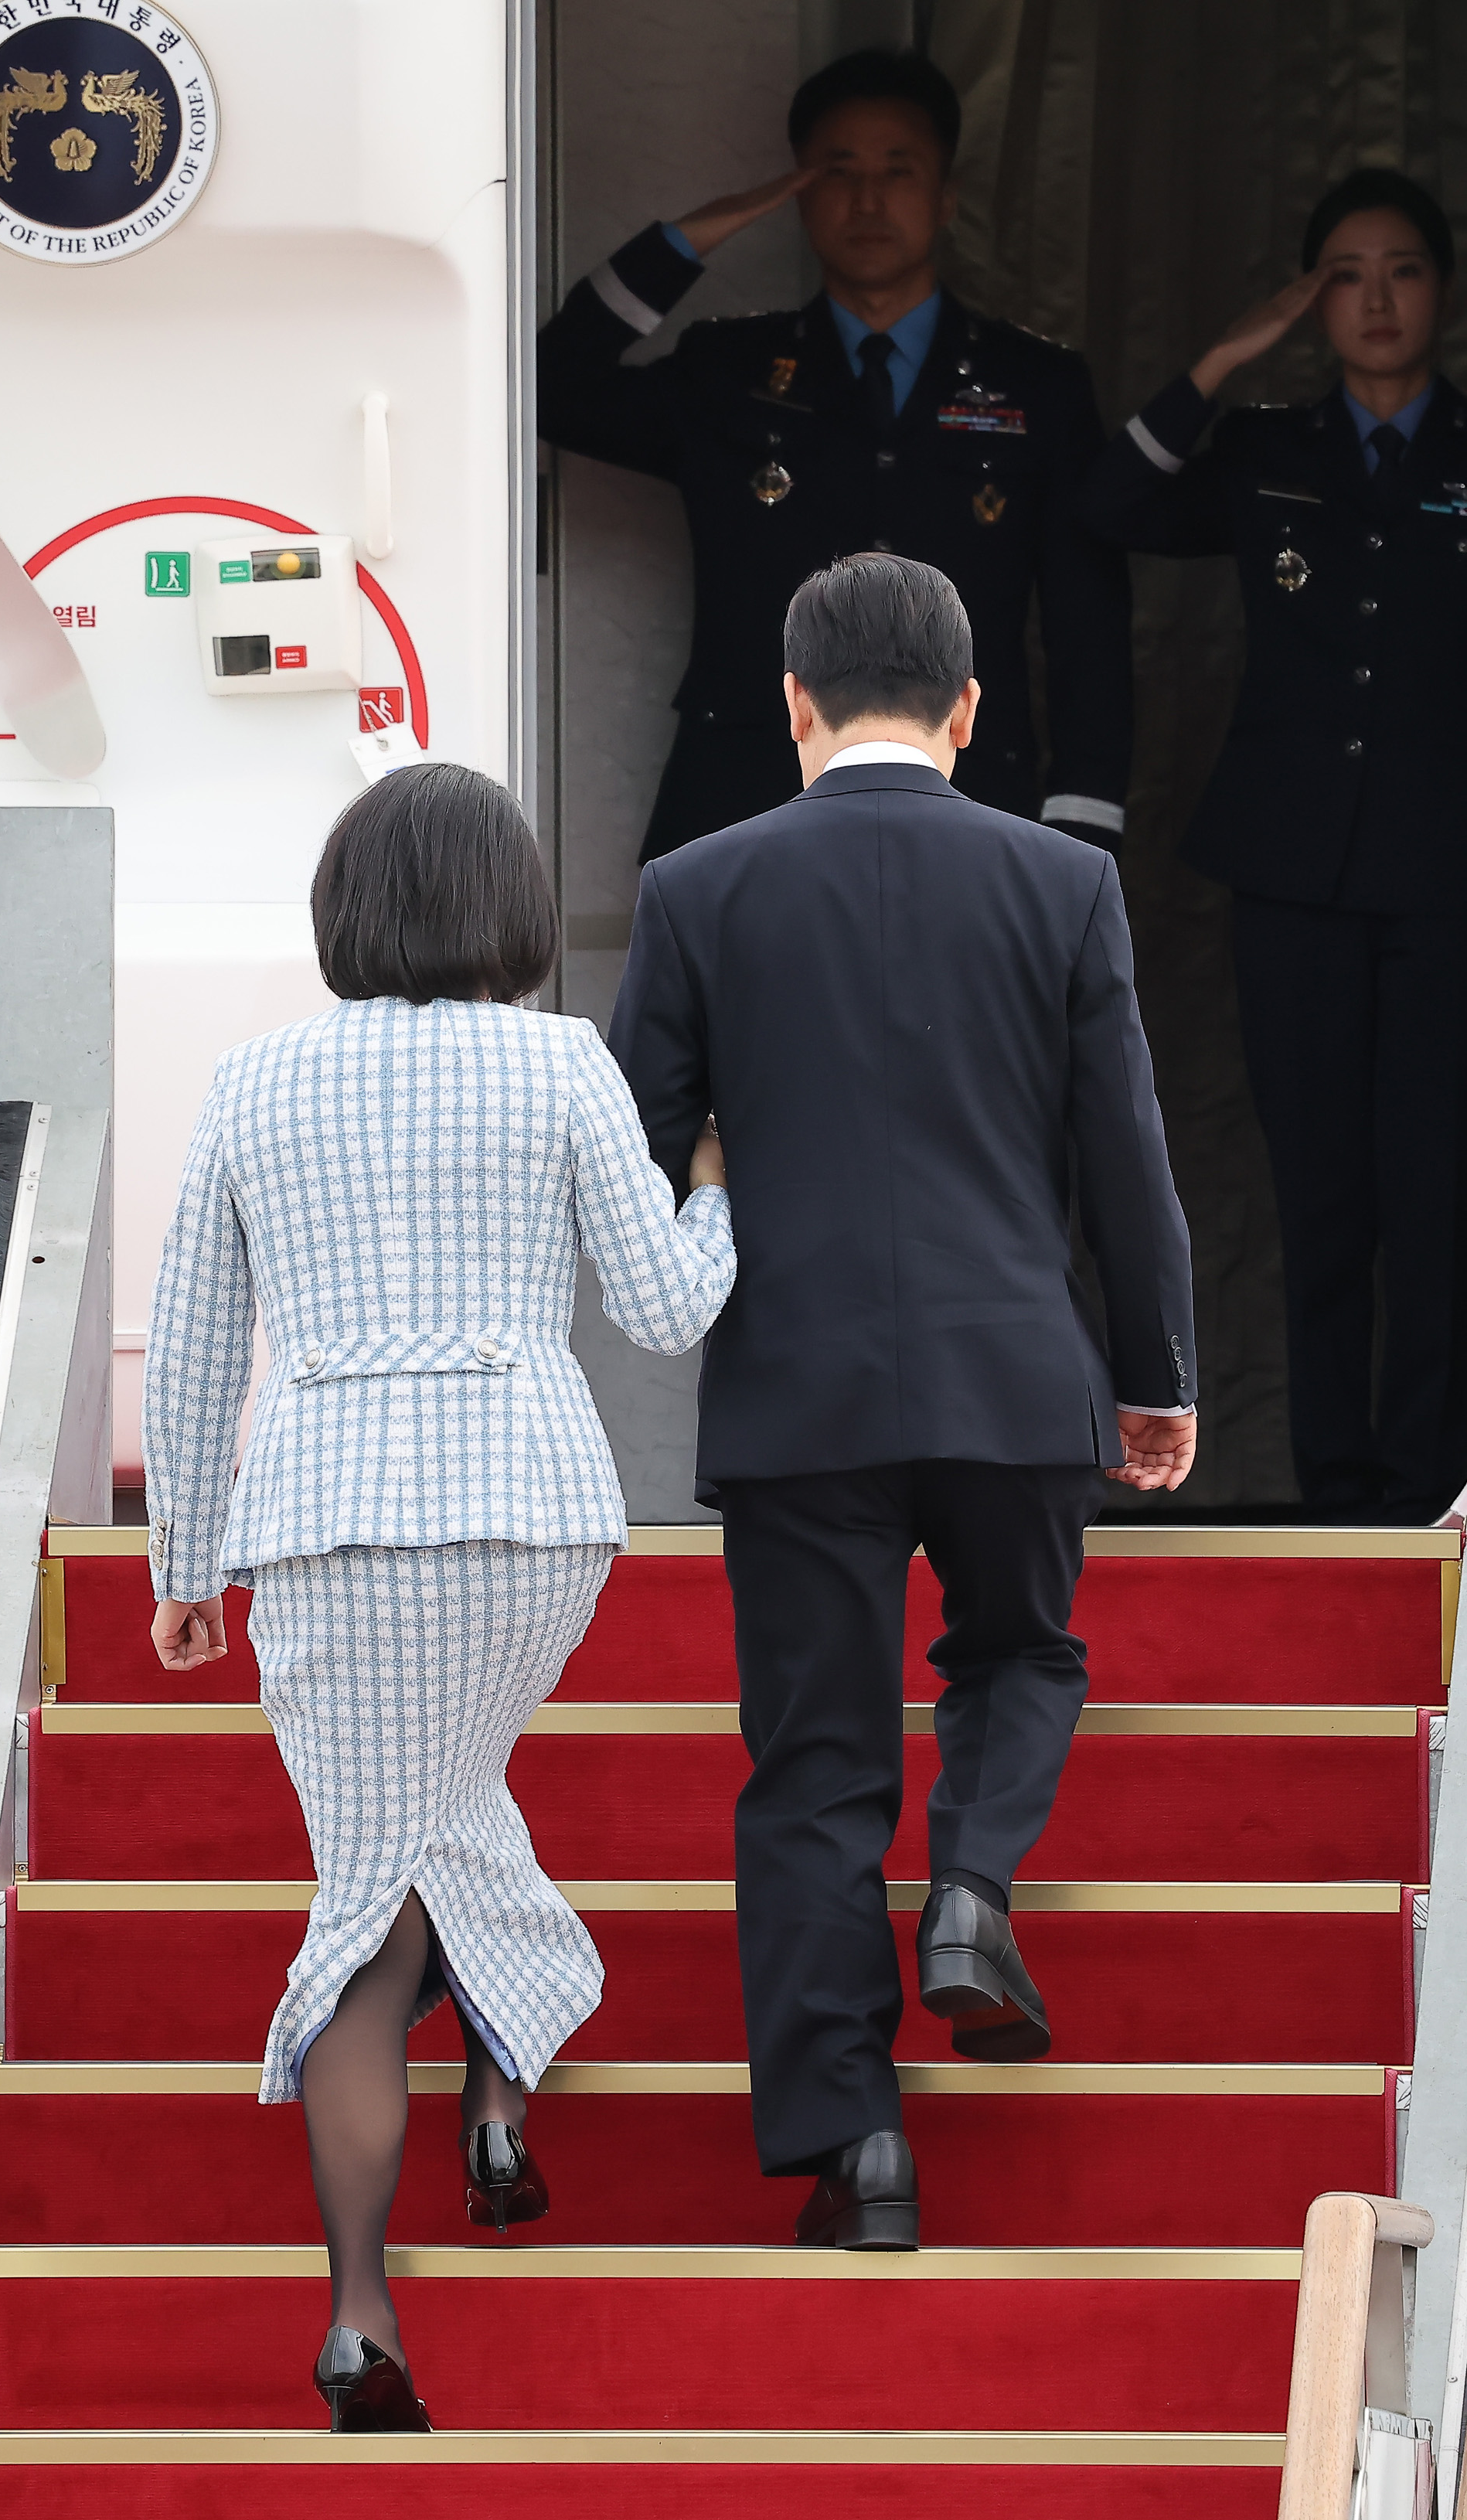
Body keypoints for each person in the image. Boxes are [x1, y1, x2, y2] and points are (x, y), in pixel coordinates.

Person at [608, 553, 1196, 2246]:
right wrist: (1150, 1376)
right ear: (968, 709)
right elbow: (1128, 1162)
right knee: (1021, 1651)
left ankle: (853, 2152)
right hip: (1016, 1372)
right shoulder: (1061, 884)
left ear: (791, 704)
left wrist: (724, 1173)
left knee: (810, 1767)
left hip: (797, 1394)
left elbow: (634, 1149)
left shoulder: (695, 887)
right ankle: (970, 1893)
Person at [141, 764, 734, 2428]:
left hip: (324, 1529)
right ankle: (495, 2093)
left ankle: (356, 2308)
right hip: (528, 1522)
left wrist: (184, 1564)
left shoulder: (253, 1082)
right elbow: (669, 1307)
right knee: (438, 1810)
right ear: (513, 913)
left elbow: (190, 1346)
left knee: (370, 1877)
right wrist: (714, 1176)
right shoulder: (559, 1063)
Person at [1078, 169, 1467, 1524]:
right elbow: (1113, 500)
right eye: (1344, 274)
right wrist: (1232, 350)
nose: (1375, 298)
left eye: (1403, 268)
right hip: (1295, 876)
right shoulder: (1266, 452)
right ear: (1314, 300)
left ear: (1442, 291)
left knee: (1435, 1201)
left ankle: (1425, 1489)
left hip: (1443, 882)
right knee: (1321, 1198)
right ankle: (1338, 1492)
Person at [538, 46, 1132, 863]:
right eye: (836, 171)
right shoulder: (729, 372)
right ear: (799, 192)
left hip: (970, 803)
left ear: (946, 195)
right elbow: (552, 387)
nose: (866, 199)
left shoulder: (1035, 388)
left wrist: (1080, 827)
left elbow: (1086, 629)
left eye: (897, 170)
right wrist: (691, 236)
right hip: (746, 797)